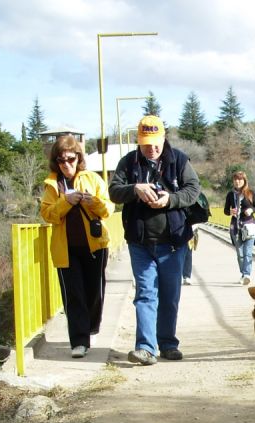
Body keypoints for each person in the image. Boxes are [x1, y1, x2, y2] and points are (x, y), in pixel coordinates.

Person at [109, 115, 200, 365]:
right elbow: (114, 192)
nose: (153, 148)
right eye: (147, 143)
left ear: (163, 137)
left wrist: (169, 200)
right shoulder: (128, 163)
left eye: (156, 142)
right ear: (139, 142)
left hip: (173, 241)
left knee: (170, 295)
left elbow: (193, 190)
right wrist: (135, 189)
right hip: (140, 241)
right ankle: (145, 348)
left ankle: (168, 343)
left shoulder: (179, 159)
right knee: (146, 293)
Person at [40, 135, 113, 358]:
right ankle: (79, 341)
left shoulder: (93, 179)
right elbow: (47, 215)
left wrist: (94, 202)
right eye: (61, 161)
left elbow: (109, 209)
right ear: (56, 162)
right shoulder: (52, 185)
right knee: (74, 295)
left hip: (95, 246)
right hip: (66, 249)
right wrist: (65, 202)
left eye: (71, 159)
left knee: (94, 293)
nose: (66, 165)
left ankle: (90, 327)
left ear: (78, 158)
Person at [224, 171, 255, 285]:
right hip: (236, 227)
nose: (237, 182)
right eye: (235, 179)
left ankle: (247, 274)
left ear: (244, 181)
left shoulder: (250, 193)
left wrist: (251, 210)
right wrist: (230, 211)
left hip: (249, 226)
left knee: (248, 252)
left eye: (240, 179)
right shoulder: (230, 195)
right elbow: (225, 211)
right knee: (240, 254)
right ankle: (243, 274)